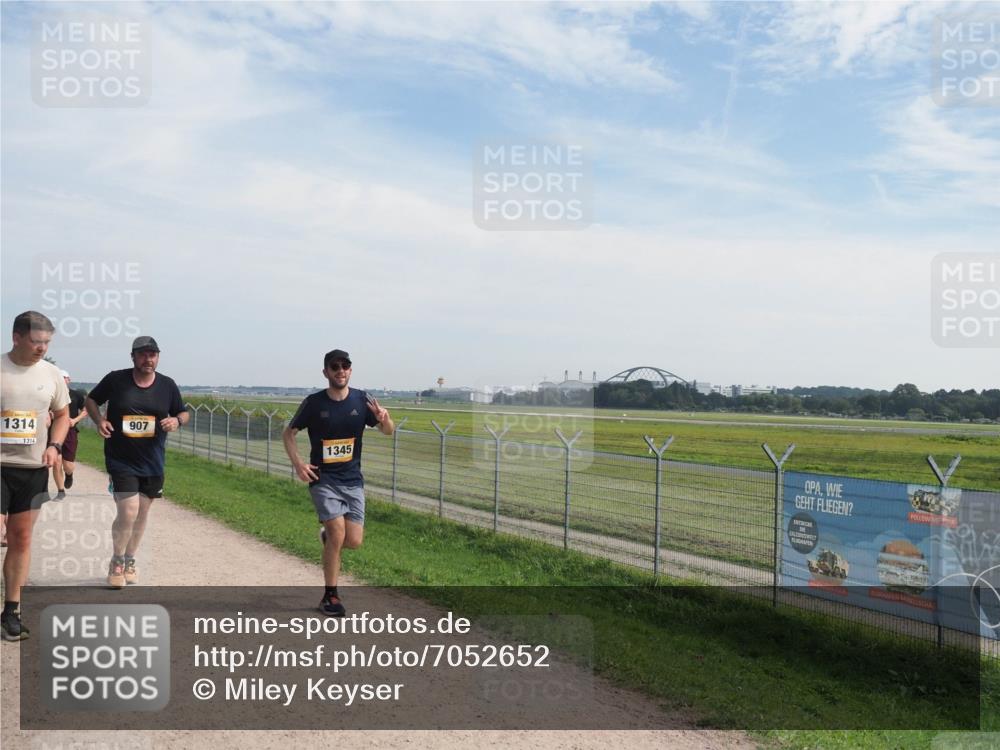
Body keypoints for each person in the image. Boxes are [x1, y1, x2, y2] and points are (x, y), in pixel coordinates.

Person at [282, 349, 393, 616]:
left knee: (353, 541)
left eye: (345, 366)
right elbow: (289, 433)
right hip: (324, 479)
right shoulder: (314, 403)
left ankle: (328, 538)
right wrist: (299, 464)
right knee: (337, 533)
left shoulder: (362, 400)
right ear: (326, 372)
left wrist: (385, 419)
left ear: (350, 370)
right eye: (335, 367)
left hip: (353, 480)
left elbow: (388, 431)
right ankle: (330, 597)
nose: (340, 370)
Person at [85, 336, 187, 589]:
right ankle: (117, 561)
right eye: (142, 354)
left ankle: (130, 559)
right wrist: (99, 420)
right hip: (120, 458)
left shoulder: (167, 385)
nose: (148, 359)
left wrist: (177, 421)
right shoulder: (116, 379)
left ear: (158, 357)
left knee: (142, 513)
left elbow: (182, 411)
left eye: (152, 355)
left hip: (152, 461)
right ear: (133, 356)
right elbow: (91, 400)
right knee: (128, 510)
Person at [1, 311, 70, 640]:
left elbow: (63, 415)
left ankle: (11, 612)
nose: (42, 348)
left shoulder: (51, 374)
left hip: (32, 470)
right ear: (16, 337)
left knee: (21, 539)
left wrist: (55, 445)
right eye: (36, 341)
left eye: (47, 342)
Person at [51, 370, 87, 500]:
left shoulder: (76, 395)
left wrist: (75, 420)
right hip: (54, 430)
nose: (62, 380)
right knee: (56, 462)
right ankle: (60, 491)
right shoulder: (52, 395)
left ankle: (69, 474)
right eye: (59, 377)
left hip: (70, 431)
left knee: (68, 464)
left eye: (64, 377)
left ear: (68, 380)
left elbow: (85, 410)